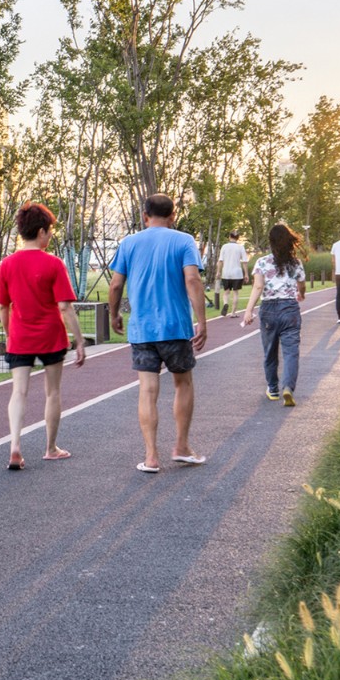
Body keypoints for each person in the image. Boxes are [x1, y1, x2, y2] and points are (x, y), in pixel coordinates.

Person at [108, 193, 209, 474]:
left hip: (142, 329)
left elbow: (116, 285)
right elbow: (192, 279)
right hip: (176, 327)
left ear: (145, 215)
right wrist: (202, 321)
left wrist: (114, 314)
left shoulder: (128, 243)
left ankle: (151, 456)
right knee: (183, 384)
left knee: (148, 390)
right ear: (173, 215)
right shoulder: (184, 241)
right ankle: (181, 447)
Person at [0, 202, 87, 471]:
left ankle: (15, 447)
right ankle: (50, 448)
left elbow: (3, 306)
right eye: (49, 232)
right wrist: (80, 340)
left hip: (20, 336)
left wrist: (9, 333)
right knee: (53, 392)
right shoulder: (54, 264)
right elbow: (65, 307)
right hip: (51, 336)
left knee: (19, 392)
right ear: (40, 232)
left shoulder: (7, 264)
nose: (50, 236)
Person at [242, 222, 307, 406]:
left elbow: (258, 286)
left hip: (269, 310)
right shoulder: (295, 263)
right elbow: (301, 285)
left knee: (270, 352)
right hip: (290, 310)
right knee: (291, 352)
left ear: (271, 242)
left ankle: (272, 388)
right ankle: (288, 387)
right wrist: (301, 294)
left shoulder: (262, 262)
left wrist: (248, 311)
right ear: (289, 242)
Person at [217, 230, 248, 315]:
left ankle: (226, 303)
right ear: (238, 238)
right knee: (235, 293)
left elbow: (220, 261)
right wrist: (246, 274)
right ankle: (233, 313)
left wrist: (218, 272)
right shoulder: (240, 247)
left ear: (229, 237)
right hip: (237, 274)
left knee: (226, 292)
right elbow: (244, 261)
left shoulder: (224, 246)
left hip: (226, 273)